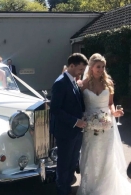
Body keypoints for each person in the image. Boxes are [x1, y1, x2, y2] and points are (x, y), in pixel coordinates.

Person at [76, 53, 131, 195]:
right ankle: (90, 186)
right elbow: (78, 105)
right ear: (91, 67)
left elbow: (110, 104)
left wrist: (114, 113)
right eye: (98, 67)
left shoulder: (109, 83)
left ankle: (106, 187)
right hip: (90, 126)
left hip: (107, 126)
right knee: (91, 156)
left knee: (107, 156)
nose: (101, 69)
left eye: (103, 67)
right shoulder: (83, 84)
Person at [50, 53, 88, 195]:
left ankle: (67, 189)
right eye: (79, 69)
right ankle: (62, 191)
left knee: (72, 163)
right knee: (64, 164)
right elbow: (55, 109)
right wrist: (75, 121)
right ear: (71, 66)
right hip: (65, 131)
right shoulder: (60, 82)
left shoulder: (72, 80)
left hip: (76, 131)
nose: (81, 73)